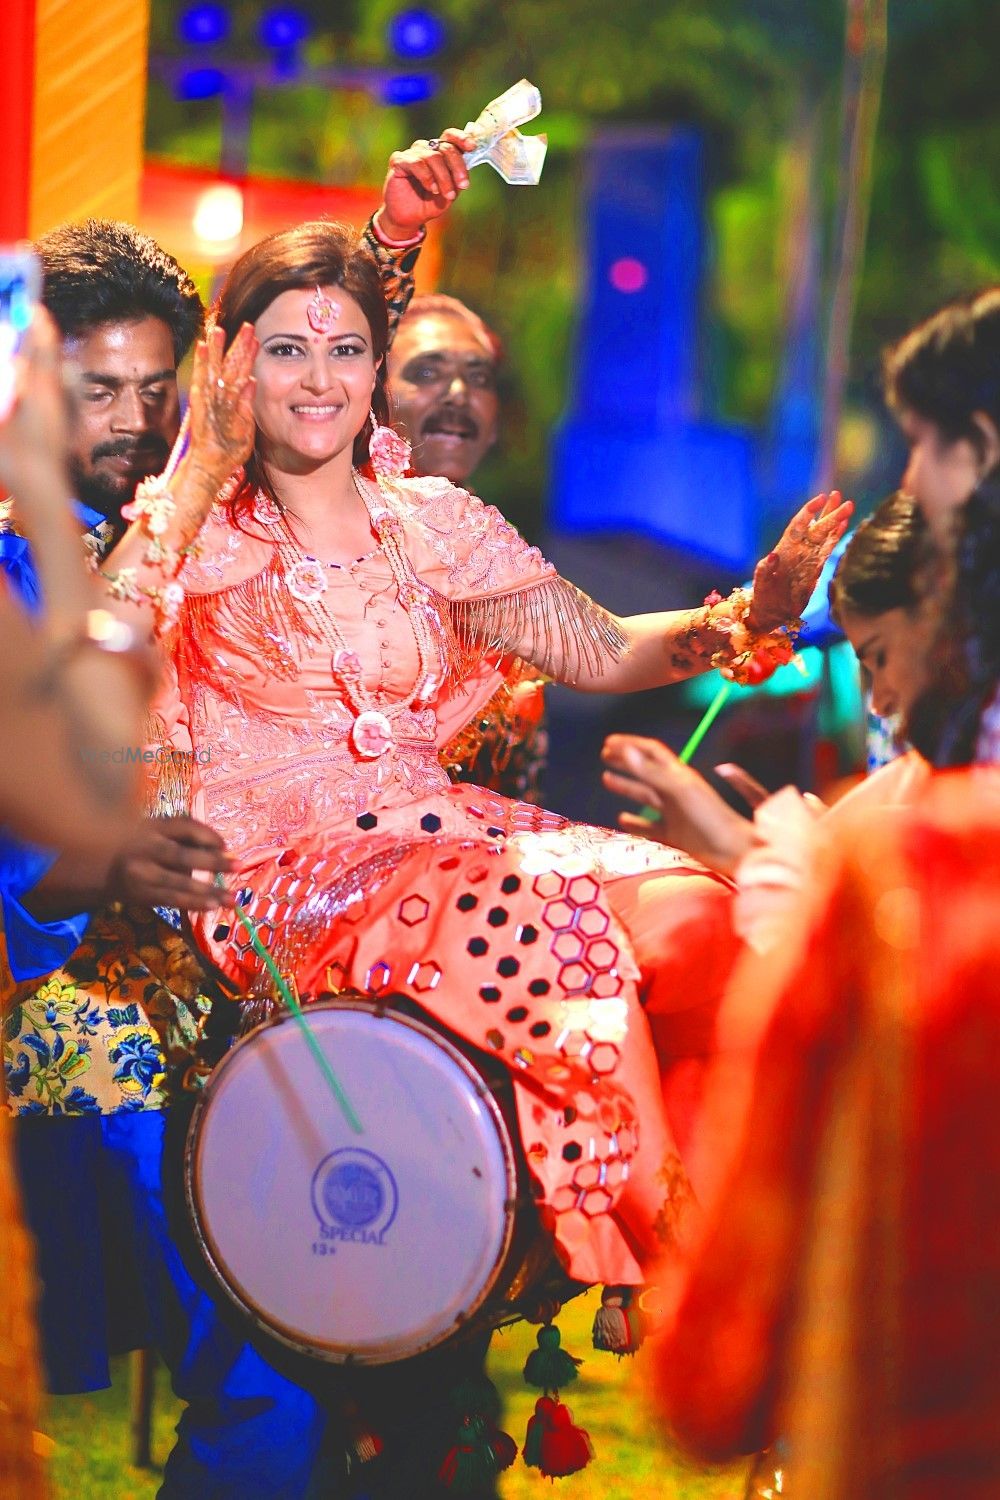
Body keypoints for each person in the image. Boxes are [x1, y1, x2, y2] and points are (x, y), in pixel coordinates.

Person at [89, 198, 846, 1492]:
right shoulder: (189, 526)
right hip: (287, 877)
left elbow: (599, 646)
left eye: (344, 349)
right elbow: (92, 665)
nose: (318, 379)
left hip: (448, 842)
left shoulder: (429, 521)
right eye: (285, 349)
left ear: (371, 368)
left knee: (704, 921)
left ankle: (777, 1239)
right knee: (537, 910)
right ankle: (707, 1297)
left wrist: (743, 615)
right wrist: (201, 469)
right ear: (230, 364)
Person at [1, 133, 476, 1419]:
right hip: (89, 1009)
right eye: (97, 392)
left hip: (252, 977)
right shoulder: (32, 565)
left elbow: (322, 379)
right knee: (272, 1361)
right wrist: (109, 862)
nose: (132, 422)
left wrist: (391, 240)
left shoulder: (208, 519)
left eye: (158, 391)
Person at [388, 291, 549, 802]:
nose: (458, 393)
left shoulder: (504, 560)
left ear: (496, 422)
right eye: (426, 372)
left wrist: (744, 622)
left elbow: (609, 653)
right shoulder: (320, 541)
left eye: (478, 378)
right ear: (368, 395)